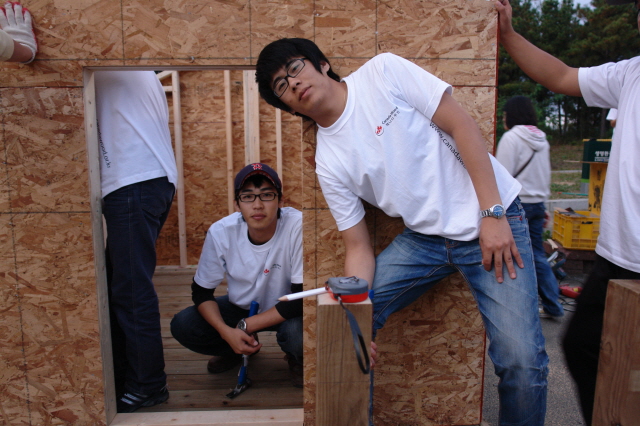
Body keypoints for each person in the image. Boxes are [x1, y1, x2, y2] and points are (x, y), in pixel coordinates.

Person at [256, 38, 548, 425]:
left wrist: (492, 213)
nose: (292, 83)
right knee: (348, 325)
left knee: (521, 360)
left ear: (322, 64)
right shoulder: (327, 160)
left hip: (490, 217)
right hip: (424, 241)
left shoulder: (383, 72)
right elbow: (357, 246)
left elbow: (461, 124)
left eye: (294, 68)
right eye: (280, 85)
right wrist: (356, 319)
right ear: (289, 107)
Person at [495, 0, 640, 424]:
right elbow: (560, 75)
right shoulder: (630, 74)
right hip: (618, 256)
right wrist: (508, 36)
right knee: (583, 346)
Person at [170, 163, 304, 388]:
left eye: (267, 195)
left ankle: (297, 358)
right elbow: (201, 292)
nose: (258, 205)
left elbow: (300, 297)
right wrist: (227, 333)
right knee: (184, 324)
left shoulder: (297, 225)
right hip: (241, 307)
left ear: (281, 201)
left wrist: (244, 326)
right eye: (248, 197)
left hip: (287, 310)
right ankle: (235, 348)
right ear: (237, 204)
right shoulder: (221, 232)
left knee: (298, 334)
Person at [95, 71, 178, 412]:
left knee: (130, 289)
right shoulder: (136, 71)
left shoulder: (109, 60)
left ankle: (148, 385)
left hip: (134, 181)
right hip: (146, 181)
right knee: (121, 284)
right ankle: (126, 378)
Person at [496, 96, 564, 319]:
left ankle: (518, 309)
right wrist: (543, 205)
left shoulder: (511, 138)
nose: (504, 119)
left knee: (514, 257)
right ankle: (553, 305)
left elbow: (502, 176)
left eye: (505, 115)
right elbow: (545, 174)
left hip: (517, 205)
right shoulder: (542, 139)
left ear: (512, 115)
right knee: (536, 256)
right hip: (537, 205)